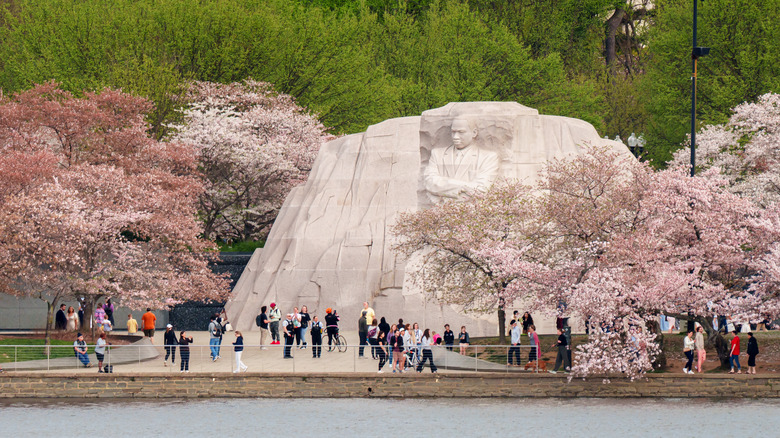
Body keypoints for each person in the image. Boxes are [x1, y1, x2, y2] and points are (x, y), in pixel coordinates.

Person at [423, 117, 500, 203]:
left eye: (461, 132)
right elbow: (429, 183)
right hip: (438, 211)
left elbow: (481, 188)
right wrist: (463, 187)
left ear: (474, 133)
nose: (455, 137)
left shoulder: (488, 157)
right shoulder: (437, 154)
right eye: (453, 132)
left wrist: (444, 187)